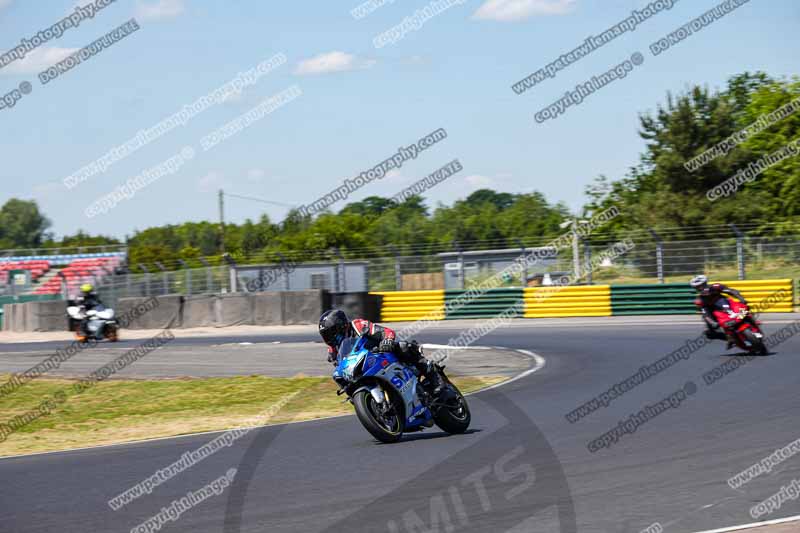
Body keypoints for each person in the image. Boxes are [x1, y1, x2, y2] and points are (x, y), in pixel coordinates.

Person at [319, 309, 443, 394]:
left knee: (403, 347)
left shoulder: (358, 325)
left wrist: (387, 340)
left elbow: (386, 332)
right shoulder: (333, 349)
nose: (329, 338)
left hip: (381, 352)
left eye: (331, 333)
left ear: (341, 326)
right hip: (363, 366)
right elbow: (340, 366)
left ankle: (432, 374)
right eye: (326, 335)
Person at [690, 275, 748, 349]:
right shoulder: (700, 300)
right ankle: (730, 338)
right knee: (708, 333)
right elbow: (705, 314)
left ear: (705, 283)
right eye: (697, 287)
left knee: (744, 308)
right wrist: (712, 323)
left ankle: (750, 320)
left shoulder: (715, 286)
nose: (700, 288)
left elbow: (731, 291)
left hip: (729, 306)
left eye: (701, 285)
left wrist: (741, 299)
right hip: (719, 316)